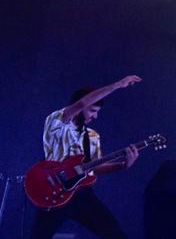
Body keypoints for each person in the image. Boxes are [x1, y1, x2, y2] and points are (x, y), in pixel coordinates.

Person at [30, 75, 143, 239]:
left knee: (116, 234)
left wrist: (123, 165)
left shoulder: (92, 136)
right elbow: (82, 103)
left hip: (82, 194)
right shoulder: (57, 121)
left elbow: (94, 168)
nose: (95, 116)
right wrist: (117, 85)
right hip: (54, 191)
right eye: (92, 110)